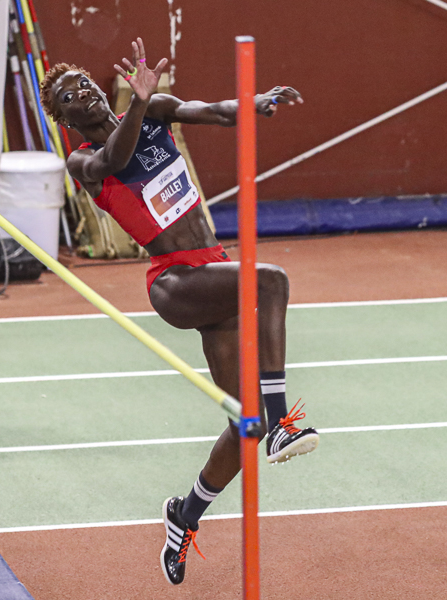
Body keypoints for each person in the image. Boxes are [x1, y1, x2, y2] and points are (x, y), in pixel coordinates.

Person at [40, 38, 319, 586]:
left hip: (212, 269)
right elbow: (116, 158)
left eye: (86, 83)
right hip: (174, 280)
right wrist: (139, 101)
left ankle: (183, 514)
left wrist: (254, 101)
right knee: (272, 279)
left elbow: (214, 112)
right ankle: (285, 421)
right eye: (70, 95)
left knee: (245, 422)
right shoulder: (82, 162)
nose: (84, 93)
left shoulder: (156, 112)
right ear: (64, 117)